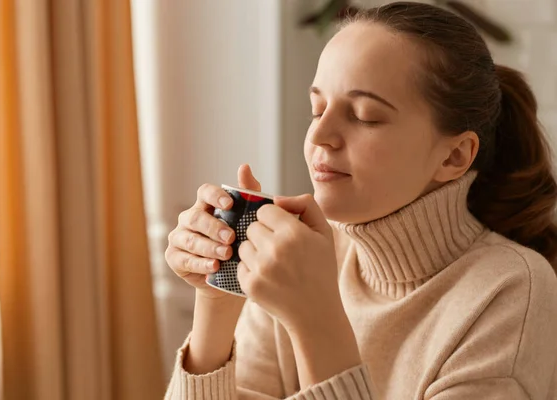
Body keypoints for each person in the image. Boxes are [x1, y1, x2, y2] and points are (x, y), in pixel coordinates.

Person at [164, 2, 557, 399]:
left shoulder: (511, 290)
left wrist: (315, 319)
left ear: (454, 156)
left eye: (365, 115)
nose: (320, 135)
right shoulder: (301, 258)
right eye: (317, 109)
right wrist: (216, 295)